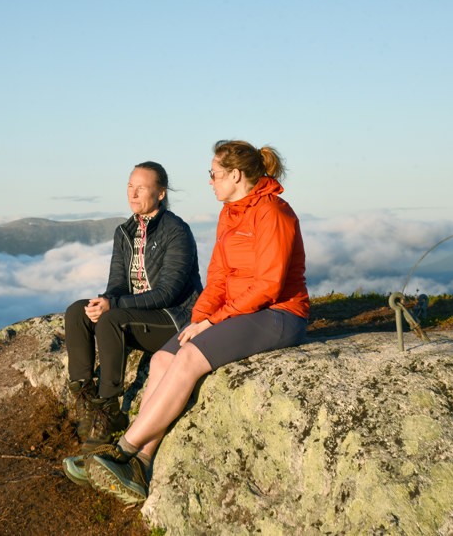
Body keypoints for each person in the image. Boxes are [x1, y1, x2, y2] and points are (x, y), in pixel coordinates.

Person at [63, 140, 309, 504]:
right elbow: (218, 279)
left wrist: (214, 322)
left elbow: (269, 286)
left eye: (214, 174)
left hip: (279, 314)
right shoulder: (230, 213)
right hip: (242, 310)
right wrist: (198, 320)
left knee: (190, 358)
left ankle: (122, 450)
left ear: (236, 176)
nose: (210, 181)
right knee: (164, 358)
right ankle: (140, 464)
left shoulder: (273, 213)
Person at [63, 161, 203, 453]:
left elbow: (167, 293)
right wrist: (103, 301)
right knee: (78, 312)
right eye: (130, 186)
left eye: (141, 188)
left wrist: (113, 305)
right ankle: (85, 401)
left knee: (111, 320)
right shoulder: (125, 231)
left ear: (161, 193)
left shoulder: (176, 231)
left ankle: (110, 411)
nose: (133, 193)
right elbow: (117, 284)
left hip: (174, 318)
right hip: (134, 310)